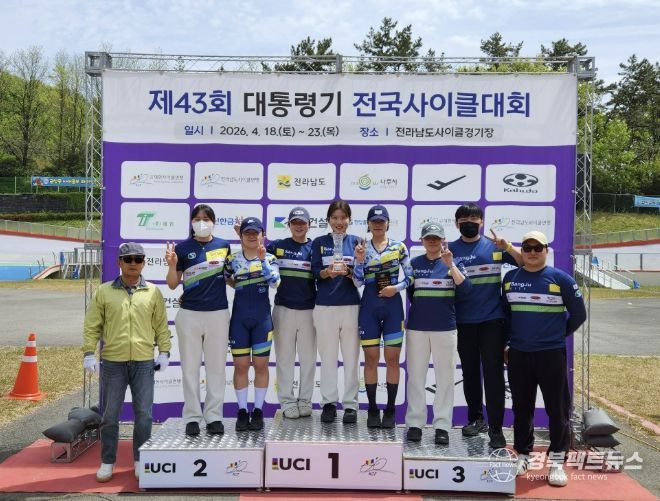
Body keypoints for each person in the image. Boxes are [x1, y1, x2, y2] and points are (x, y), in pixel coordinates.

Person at [502, 231, 586, 487]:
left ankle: (557, 461)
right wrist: (508, 343)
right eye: (527, 248)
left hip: (551, 354)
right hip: (519, 354)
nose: (532, 252)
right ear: (522, 252)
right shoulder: (510, 279)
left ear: (546, 250)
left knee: (557, 409)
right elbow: (506, 316)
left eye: (537, 247)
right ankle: (523, 454)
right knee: (521, 408)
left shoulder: (561, 279)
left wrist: (556, 335)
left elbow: (579, 314)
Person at [83, 242, 171, 483]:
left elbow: (161, 326)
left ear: (144, 263)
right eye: (128, 259)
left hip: (143, 362)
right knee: (110, 415)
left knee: (144, 415)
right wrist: (89, 352)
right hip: (113, 362)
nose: (133, 263)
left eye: (138, 259)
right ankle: (107, 461)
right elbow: (92, 325)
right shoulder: (104, 292)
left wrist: (164, 352)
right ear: (119, 262)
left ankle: (140, 460)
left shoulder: (153, 292)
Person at [449, 203, 522, 449]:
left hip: (493, 321)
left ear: (482, 222)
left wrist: (508, 247)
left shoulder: (494, 246)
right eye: (464, 219)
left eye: (474, 218)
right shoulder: (449, 250)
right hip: (463, 321)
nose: (469, 222)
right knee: (470, 373)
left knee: (493, 375)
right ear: (456, 223)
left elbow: (524, 263)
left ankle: (496, 428)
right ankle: (475, 419)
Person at [165, 204, 231, 437]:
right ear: (191, 222)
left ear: (214, 221)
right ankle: (192, 417)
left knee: (216, 369)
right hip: (190, 315)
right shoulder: (182, 248)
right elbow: (172, 284)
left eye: (206, 218)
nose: (202, 222)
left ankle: (214, 416)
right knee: (190, 369)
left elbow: (230, 277)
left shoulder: (224, 245)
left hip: (218, 314)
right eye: (197, 218)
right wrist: (172, 265)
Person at [405, 223, 470, 444]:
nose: (432, 241)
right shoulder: (414, 263)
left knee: (445, 378)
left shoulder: (453, 262)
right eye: (428, 238)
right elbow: (411, 294)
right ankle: (415, 423)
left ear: (443, 240)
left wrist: (450, 265)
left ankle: (442, 425)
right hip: (417, 328)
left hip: (445, 328)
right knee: (416, 377)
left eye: (436, 238)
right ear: (422, 241)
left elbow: (466, 289)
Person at [353, 205, 413, 428]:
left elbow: (410, 277)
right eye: (374, 221)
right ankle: (371, 408)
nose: (378, 225)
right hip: (369, 306)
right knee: (370, 358)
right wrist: (359, 261)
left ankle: (390, 409)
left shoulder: (399, 247)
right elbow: (357, 282)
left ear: (388, 223)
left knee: (392, 359)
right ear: (368, 225)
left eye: (381, 221)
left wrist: (395, 289)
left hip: (393, 306)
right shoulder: (361, 247)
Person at [225, 217, 280, 432]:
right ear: (241, 236)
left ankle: (257, 411)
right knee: (240, 366)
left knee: (260, 365)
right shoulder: (233, 259)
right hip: (239, 319)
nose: (251, 236)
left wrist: (263, 260)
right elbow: (226, 279)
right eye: (246, 233)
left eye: (255, 233)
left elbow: (275, 282)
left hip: (262, 320)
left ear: (262, 236)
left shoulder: (270, 257)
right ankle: (241, 411)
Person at [311, 200, 362, 424]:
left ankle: (350, 404)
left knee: (351, 357)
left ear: (349, 219)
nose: (339, 222)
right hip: (325, 306)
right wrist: (327, 272)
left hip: (351, 306)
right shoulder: (319, 242)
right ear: (328, 220)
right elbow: (314, 272)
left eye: (343, 218)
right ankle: (329, 403)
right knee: (328, 357)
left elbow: (362, 274)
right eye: (335, 218)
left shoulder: (358, 242)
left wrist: (350, 271)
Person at [266, 207, 317, 419]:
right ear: (288, 225)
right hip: (283, 309)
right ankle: (287, 401)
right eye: (295, 222)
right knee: (284, 358)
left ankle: (305, 400)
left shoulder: (315, 248)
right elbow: (255, 254)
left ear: (309, 224)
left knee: (308, 359)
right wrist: (241, 236)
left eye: (302, 222)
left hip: (309, 310)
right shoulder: (277, 246)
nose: (299, 226)